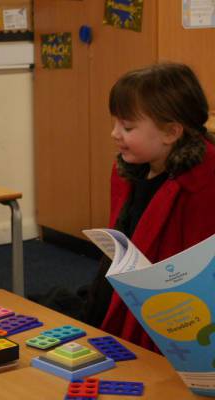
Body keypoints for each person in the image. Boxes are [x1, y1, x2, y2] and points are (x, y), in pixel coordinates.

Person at [87, 62, 215, 351]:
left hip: (176, 317)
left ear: (171, 132)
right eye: (115, 122)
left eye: (127, 126)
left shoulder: (203, 183)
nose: (114, 133)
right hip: (127, 293)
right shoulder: (129, 170)